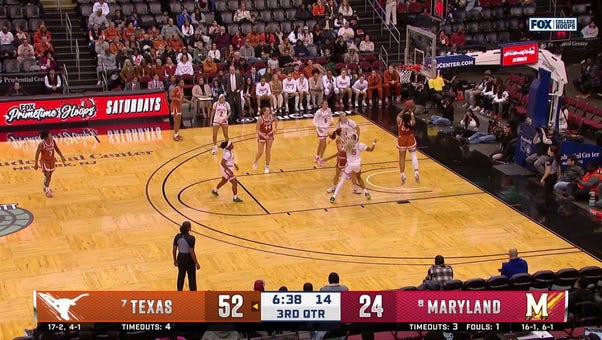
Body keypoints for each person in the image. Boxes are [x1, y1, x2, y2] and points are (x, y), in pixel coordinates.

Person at [323, 134, 376, 203]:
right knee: (359, 178)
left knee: (342, 181)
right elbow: (371, 149)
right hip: (357, 165)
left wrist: (327, 158)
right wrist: (374, 143)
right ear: (357, 139)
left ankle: (334, 196)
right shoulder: (360, 145)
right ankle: (366, 193)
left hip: (349, 165)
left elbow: (339, 153)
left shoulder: (347, 146)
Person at [34, 130, 66, 198]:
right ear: (46, 137)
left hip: (52, 160)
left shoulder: (53, 141)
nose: (51, 135)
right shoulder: (41, 144)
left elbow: (57, 149)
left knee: (50, 175)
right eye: (50, 135)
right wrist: (36, 164)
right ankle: (47, 191)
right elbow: (37, 154)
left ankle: (46, 185)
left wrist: (61, 156)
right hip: (44, 161)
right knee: (48, 174)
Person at [172, 221, 200, 291]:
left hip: (180, 257)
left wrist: (175, 260)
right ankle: (193, 294)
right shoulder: (191, 238)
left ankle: (179, 292)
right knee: (191, 278)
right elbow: (191, 251)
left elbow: (174, 249)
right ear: (189, 229)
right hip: (189, 259)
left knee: (181, 276)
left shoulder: (177, 236)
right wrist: (196, 263)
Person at [396, 102, 420, 185]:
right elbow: (412, 118)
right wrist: (411, 111)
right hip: (410, 138)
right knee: (413, 155)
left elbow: (399, 115)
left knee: (402, 157)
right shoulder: (412, 122)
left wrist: (405, 109)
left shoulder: (400, 120)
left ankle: (402, 173)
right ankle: (416, 171)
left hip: (402, 139)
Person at [253, 107, 277, 174]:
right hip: (262, 135)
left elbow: (276, 119)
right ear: (264, 112)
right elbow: (257, 130)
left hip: (269, 135)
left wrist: (275, 128)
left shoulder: (271, 117)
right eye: (267, 110)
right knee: (260, 152)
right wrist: (263, 136)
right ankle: (255, 161)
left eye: (269, 110)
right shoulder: (260, 119)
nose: (269, 111)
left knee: (268, 151)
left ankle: (267, 166)